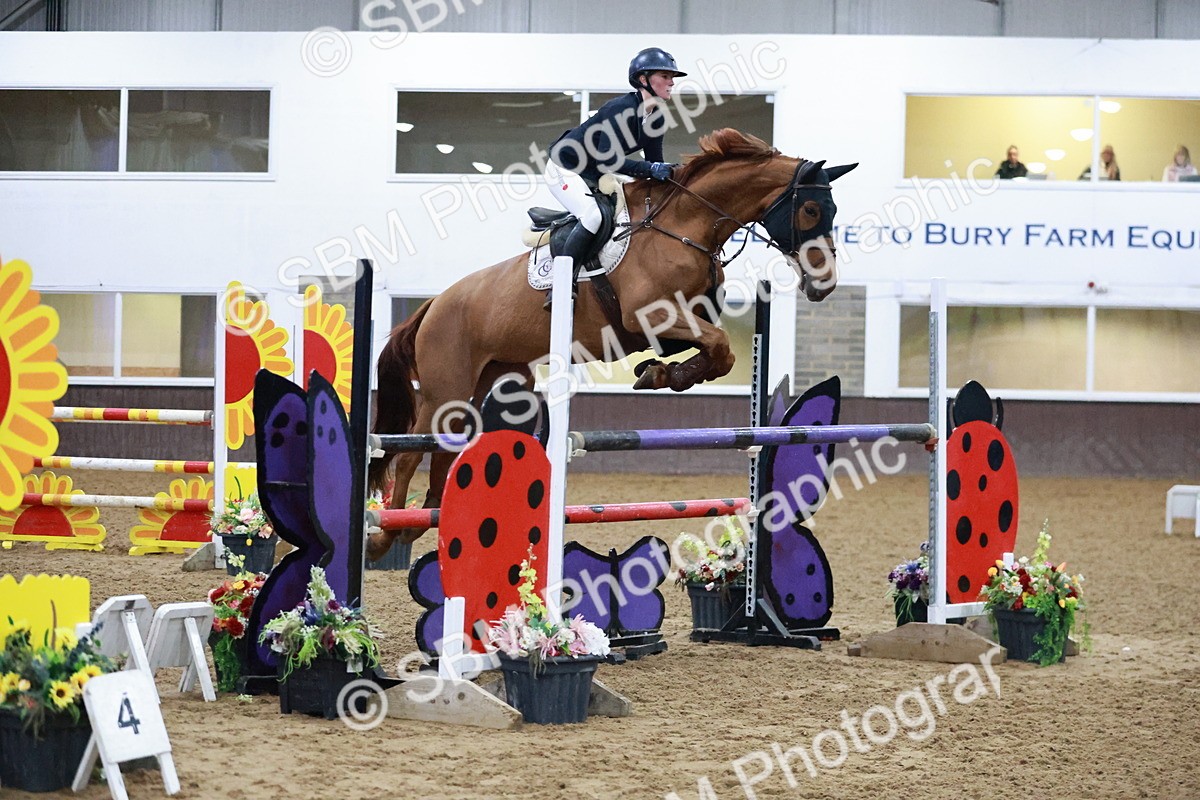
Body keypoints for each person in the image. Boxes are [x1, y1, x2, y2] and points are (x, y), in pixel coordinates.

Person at [541, 47, 686, 309]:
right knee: (593, 216)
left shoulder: (658, 116)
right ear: (644, 80)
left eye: (672, 77)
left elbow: (654, 161)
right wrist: (651, 170)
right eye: (665, 76)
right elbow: (609, 161)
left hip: (594, 173)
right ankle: (560, 284)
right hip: (565, 169)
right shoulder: (619, 109)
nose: (672, 82)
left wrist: (673, 178)